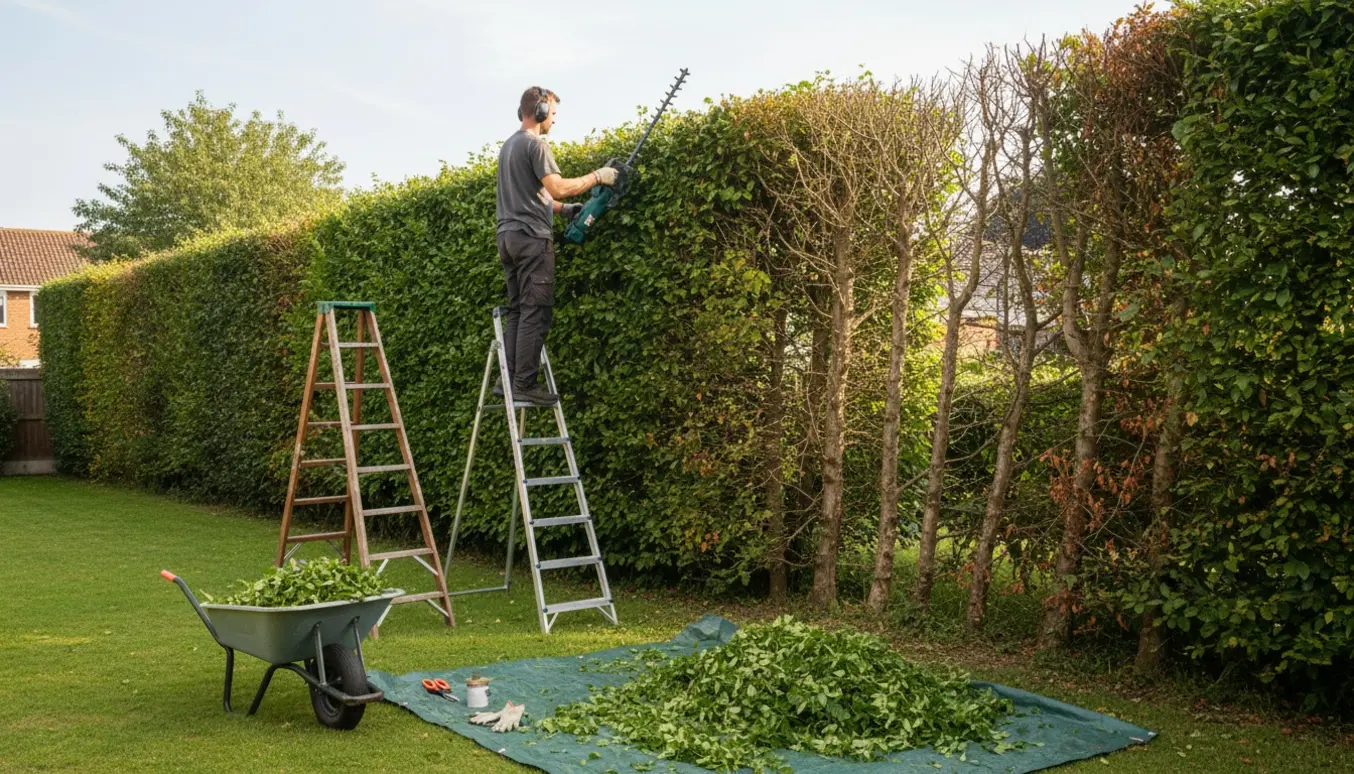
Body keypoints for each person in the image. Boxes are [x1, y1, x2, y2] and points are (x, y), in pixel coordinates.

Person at [494, 86, 618, 407]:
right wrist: (597, 176)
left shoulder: (508, 147)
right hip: (532, 239)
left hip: (507, 238)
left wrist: (565, 212)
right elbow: (558, 188)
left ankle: (506, 380)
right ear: (541, 110)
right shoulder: (536, 145)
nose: (554, 121)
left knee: (518, 311)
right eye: (553, 113)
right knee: (536, 311)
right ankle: (524, 384)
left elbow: (537, 196)